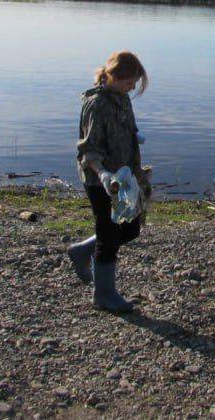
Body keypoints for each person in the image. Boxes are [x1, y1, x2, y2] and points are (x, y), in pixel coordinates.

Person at [68, 51, 152, 313]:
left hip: (125, 176)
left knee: (131, 228)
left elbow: (121, 129)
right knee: (108, 232)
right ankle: (104, 294)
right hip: (100, 179)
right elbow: (89, 148)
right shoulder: (97, 104)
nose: (133, 87)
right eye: (130, 82)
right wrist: (102, 174)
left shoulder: (121, 98)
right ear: (114, 76)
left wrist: (132, 139)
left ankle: (82, 251)